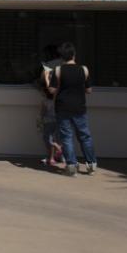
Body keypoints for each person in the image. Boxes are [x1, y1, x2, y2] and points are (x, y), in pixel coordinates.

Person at [48, 42, 96, 177]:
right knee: (85, 136)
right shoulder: (84, 69)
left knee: (67, 137)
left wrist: (50, 81)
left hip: (62, 108)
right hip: (79, 108)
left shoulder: (58, 70)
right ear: (74, 54)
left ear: (62, 57)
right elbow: (89, 90)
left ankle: (71, 166)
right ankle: (91, 164)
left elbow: (51, 90)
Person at [39, 45, 63, 167]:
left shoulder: (48, 66)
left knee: (48, 137)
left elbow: (44, 82)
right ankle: (57, 156)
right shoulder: (63, 64)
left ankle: (53, 156)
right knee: (58, 136)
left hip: (50, 113)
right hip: (60, 109)